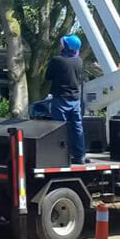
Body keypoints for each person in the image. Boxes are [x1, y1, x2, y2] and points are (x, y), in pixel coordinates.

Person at [45, 34, 87, 164]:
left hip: (61, 98)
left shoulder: (57, 60)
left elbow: (48, 76)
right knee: (77, 127)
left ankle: (61, 156)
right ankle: (80, 156)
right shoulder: (79, 61)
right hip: (75, 99)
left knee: (60, 128)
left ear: (67, 47)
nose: (60, 46)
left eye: (62, 44)